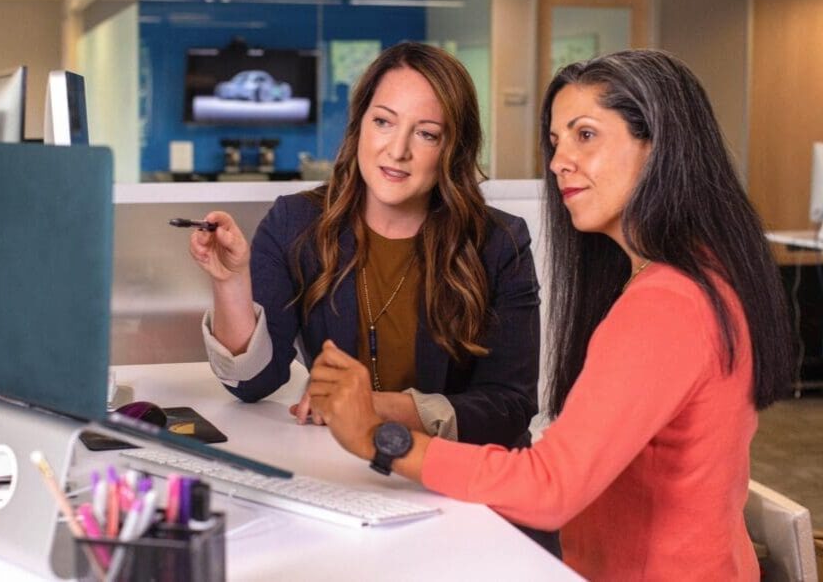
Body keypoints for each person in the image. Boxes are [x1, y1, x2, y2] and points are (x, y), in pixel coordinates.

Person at [307, 49, 794, 580]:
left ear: (659, 147)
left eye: (585, 135)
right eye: (557, 141)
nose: (560, 160)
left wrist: (379, 439)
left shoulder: (667, 303)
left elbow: (550, 488)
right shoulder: (703, 272)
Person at [189, 41, 557, 552]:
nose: (397, 150)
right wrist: (230, 281)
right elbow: (253, 382)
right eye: (384, 122)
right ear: (360, 123)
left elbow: (510, 407)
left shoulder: (499, 241)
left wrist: (373, 410)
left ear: (453, 149)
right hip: (350, 488)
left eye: (426, 134)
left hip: (467, 496)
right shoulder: (296, 223)